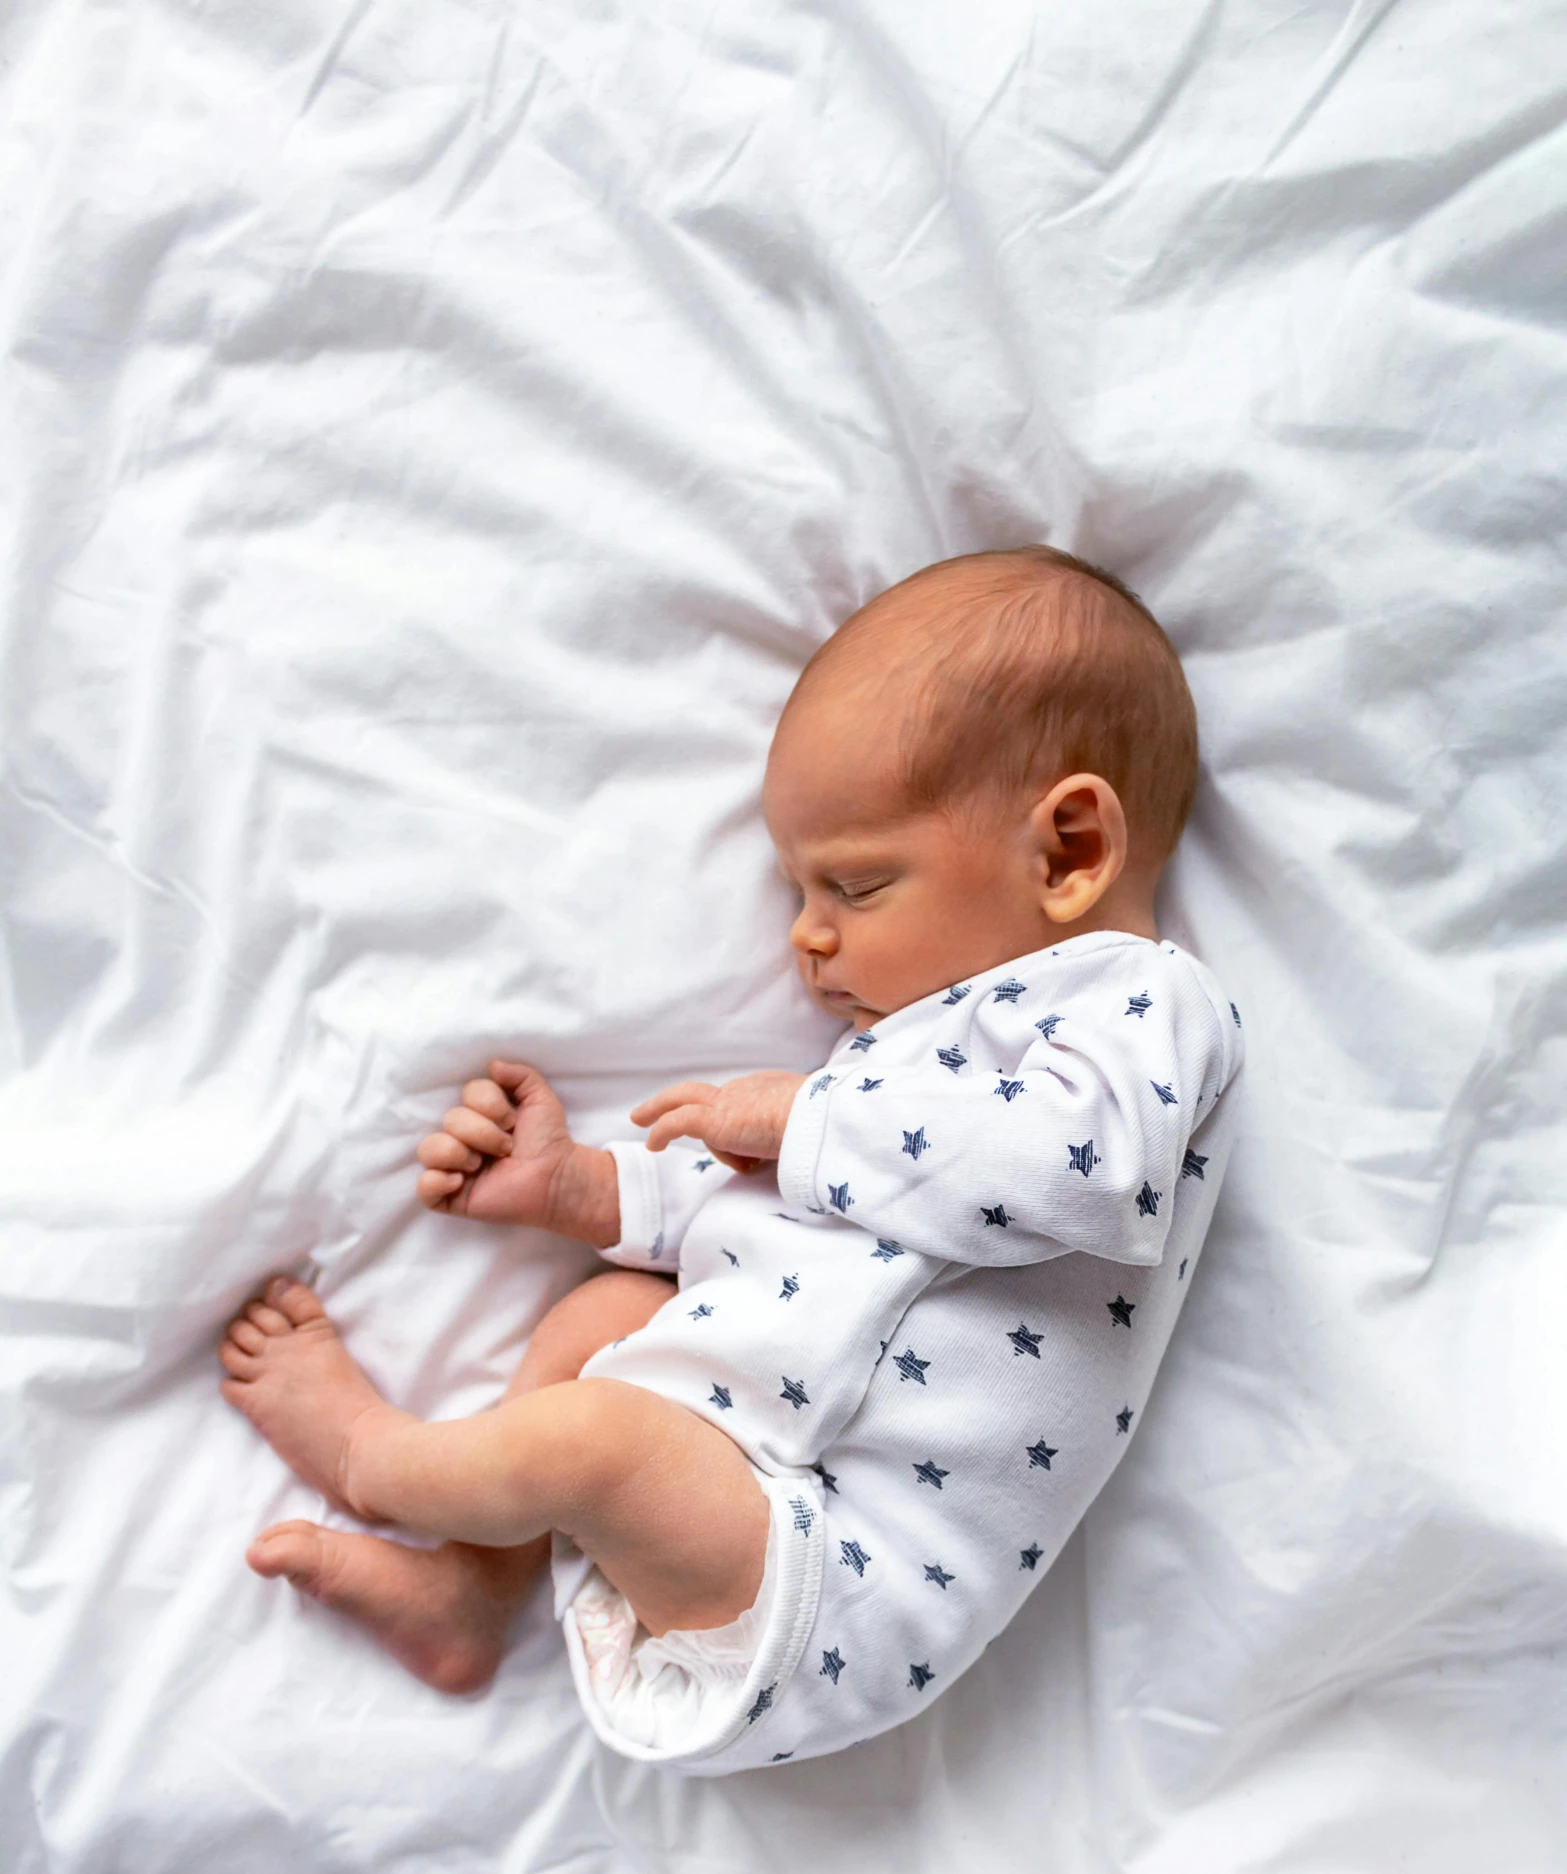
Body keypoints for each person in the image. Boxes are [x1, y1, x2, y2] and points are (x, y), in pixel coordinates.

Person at [219, 546, 1244, 1771]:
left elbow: (1086, 1178)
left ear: (1070, 849)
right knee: (605, 1315)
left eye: (856, 883)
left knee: (596, 1438)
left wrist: (800, 1122)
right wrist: (584, 1189)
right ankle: (471, 1597)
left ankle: (371, 1460)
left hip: (842, 1582)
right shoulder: (902, 1054)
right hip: (749, 1472)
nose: (809, 938)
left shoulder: (1141, 1002)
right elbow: (795, 1226)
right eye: (800, 889)